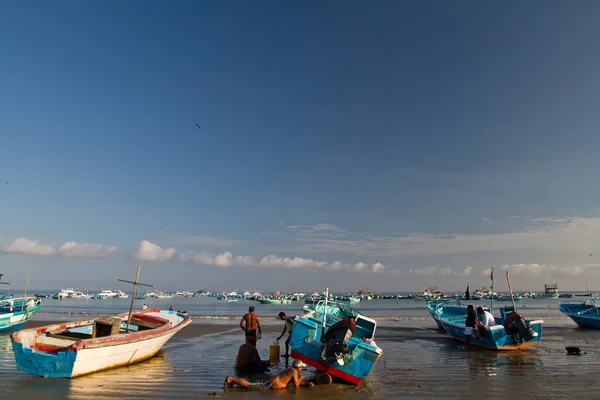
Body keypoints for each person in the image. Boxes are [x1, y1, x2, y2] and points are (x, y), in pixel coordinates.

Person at [224, 360, 312, 390]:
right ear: (298, 367)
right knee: (248, 384)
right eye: (301, 367)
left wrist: (307, 384)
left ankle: (235, 382)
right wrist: (301, 378)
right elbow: (296, 384)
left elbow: (296, 382)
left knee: (251, 384)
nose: (302, 368)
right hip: (269, 383)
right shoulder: (294, 371)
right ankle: (231, 379)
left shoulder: (292, 371)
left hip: (270, 382)